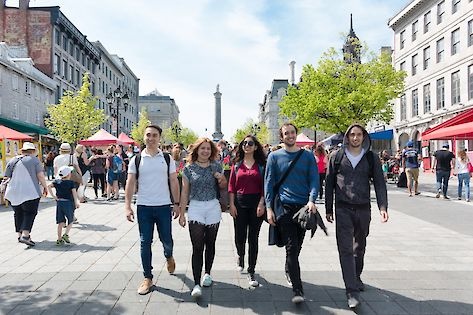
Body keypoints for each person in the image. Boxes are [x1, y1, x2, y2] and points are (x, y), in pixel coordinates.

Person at [325, 124, 388, 309]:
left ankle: (356, 276)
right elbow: (329, 182)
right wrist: (328, 208)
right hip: (343, 208)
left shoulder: (371, 157)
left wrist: (382, 206)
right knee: (345, 249)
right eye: (352, 135)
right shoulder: (337, 156)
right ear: (347, 137)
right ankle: (351, 291)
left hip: (363, 208)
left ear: (364, 137)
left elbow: (379, 182)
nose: (355, 138)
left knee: (359, 247)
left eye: (359, 134)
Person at [264, 123, 319, 304]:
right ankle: (298, 290)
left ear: (296, 134)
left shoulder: (307, 156)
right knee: (292, 247)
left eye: (292, 133)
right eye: (286, 133)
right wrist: (269, 208)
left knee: (297, 247)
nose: (290, 136)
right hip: (284, 208)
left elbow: (314, 180)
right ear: (282, 136)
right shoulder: (274, 156)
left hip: (303, 208)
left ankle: (289, 269)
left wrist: (312, 200)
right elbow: (269, 183)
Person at [125, 125, 180, 295]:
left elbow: (173, 180)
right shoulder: (136, 159)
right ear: (144, 137)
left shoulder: (167, 158)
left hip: (164, 206)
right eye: (148, 135)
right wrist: (127, 206)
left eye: (154, 135)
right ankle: (147, 277)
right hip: (144, 207)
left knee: (167, 240)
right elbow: (130, 182)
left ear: (159, 138)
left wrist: (177, 203)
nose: (151, 138)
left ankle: (169, 256)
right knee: (144, 242)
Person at [178, 138, 226, 299]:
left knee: (210, 243)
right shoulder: (188, 169)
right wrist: (182, 213)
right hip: (196, 208)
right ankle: (196, 283)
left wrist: (220, 178)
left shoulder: (216, 166)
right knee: (197, 246)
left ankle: (207, 273)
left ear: (211, 151)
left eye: (208, 149)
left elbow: (223, 186)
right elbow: (184, 192)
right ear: (197, 150)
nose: (205, 151)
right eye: (202, 148)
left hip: (213, 206)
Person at [228, 135, 266, 287]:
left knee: (253, 238)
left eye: (250, 143)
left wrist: (262, 203)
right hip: (239, 203)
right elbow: (231, 186)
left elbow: (265, 186)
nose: (247, 145)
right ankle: (241, 255)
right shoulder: (236, 165)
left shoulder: (261, 165)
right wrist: (231, 204)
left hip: (256, 203)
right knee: (239, 235)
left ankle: (251, 270)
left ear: (256, 147)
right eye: (244, 143)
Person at [4, 142, 48, 246]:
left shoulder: (13, 160)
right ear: (33, 151)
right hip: (30, 191)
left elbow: (6, 177)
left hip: (12, 191)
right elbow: (40, 175)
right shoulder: (34, 160)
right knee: (29, 212)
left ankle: (19, 235)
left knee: (18, 213)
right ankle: (26, 235)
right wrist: (45, 187)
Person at [48, 166, 80, 246]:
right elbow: (74, 193)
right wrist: (76, 202)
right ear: (69, 174)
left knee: (60, 222)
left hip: (59, 203)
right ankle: (65, 234)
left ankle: (59, 239)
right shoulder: (71, 183)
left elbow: (49, 186)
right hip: (68, 202)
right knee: (71, 219)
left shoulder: (57, 182)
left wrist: (53, 196)